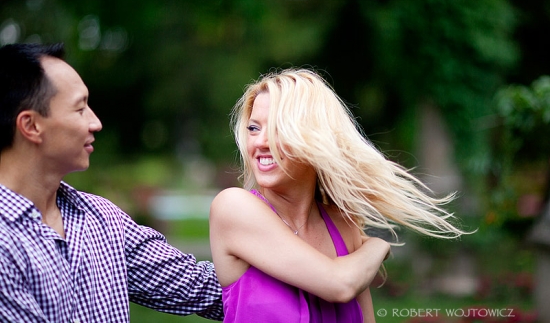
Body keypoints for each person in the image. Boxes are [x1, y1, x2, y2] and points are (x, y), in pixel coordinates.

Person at [209, 68, 469, 322]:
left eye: (279, 128)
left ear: (313, 138)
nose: (260, 142)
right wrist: (378, 246)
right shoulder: (234, 208)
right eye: (254, 129)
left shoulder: (343, 224)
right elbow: (339, 284)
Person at [0, 43, 223, 322]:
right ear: (31, 126)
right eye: (80, 109)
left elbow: (200, 289)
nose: (96, 123)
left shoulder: (101, 219)